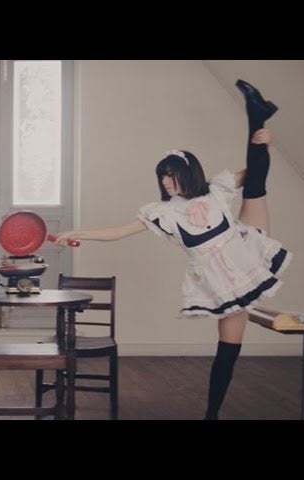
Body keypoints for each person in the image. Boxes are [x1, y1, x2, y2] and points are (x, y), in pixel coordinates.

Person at [53, 79, 291, 420]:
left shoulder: (215, 191)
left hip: (246, 244)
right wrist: (78, 233)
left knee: (255, 184)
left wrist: (266, 143)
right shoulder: (162, 213)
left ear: (186, 173)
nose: (165, 182)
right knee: (228, 351)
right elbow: (119, 231)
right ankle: (212, 415)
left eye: (170, 175)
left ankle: (257, 114)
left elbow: (255, 170)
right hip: (225, 283)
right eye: (161, 177)